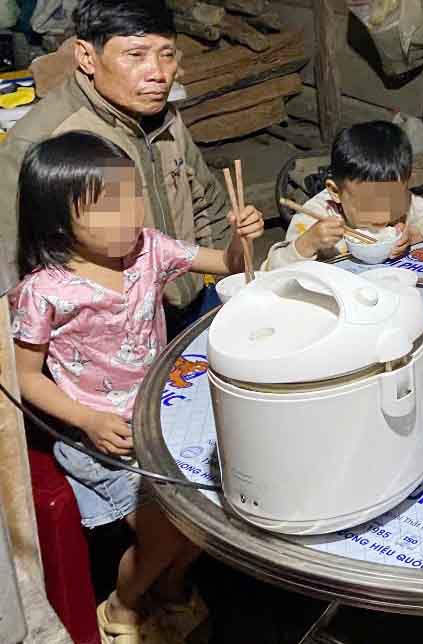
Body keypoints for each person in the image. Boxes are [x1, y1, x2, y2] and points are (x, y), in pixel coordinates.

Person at [9, 131, 263, 644]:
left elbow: (229, 266)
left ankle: (166, 589)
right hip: (101, 436)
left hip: (161, 414)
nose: (128, 215)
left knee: (210, 509)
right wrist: (86, 420)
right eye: (106, 208)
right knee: (166, 526)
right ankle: (123, 603)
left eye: (133, 196)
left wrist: (242, 236)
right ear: (59, 220)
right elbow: (24, 377)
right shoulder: (44, 291)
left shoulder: (150, 249)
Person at [0, 0, 231, 329]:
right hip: (104, 334)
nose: (158, 73)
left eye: (167, 55)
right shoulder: (45, 139)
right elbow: (11, 264)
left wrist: (231, 281)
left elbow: (205, 202)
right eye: (135, 55)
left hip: (186, 304)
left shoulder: (165, 117)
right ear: (86, 57)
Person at [264, 120, 423, 269]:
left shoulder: (405, 202)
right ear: (335, 191)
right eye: (369, 204)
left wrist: (416, 232)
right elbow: (270, 272)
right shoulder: (316, 216)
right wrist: (308, 243)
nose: (382, 214)